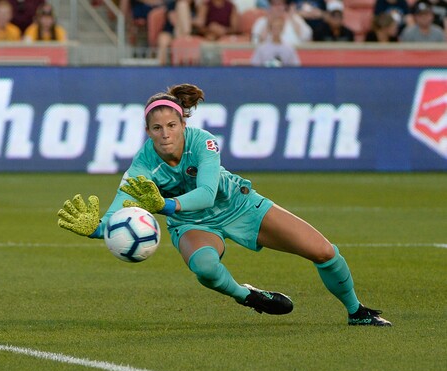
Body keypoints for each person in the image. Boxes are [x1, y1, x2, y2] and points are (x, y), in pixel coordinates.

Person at [57, 83, 392, 327]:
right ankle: (248, 296)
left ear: (183, 124)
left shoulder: (204, 141)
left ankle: (356, 311)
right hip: (193, 225)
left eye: (171, 125)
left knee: (323, 252)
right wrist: (96, 229)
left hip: (241, 206)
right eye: (156, 128)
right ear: (147, 131)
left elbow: (206, 192)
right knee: (204, 267)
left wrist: (166, 205)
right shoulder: (141, 166)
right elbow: (118, 212)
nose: (165, 134)